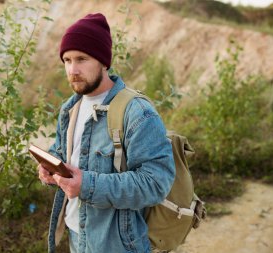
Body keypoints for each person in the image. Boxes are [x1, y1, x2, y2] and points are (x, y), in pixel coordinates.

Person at [37, 13, 175, 253]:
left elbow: (156, 183)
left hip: (116, 246)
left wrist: (87, 185)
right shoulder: (70, 107)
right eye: (67, 60)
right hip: (75, 237)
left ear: (103, 61)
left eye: (82, 59)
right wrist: (50, 168)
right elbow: (63, 152)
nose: (73, 69)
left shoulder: (138, 113)